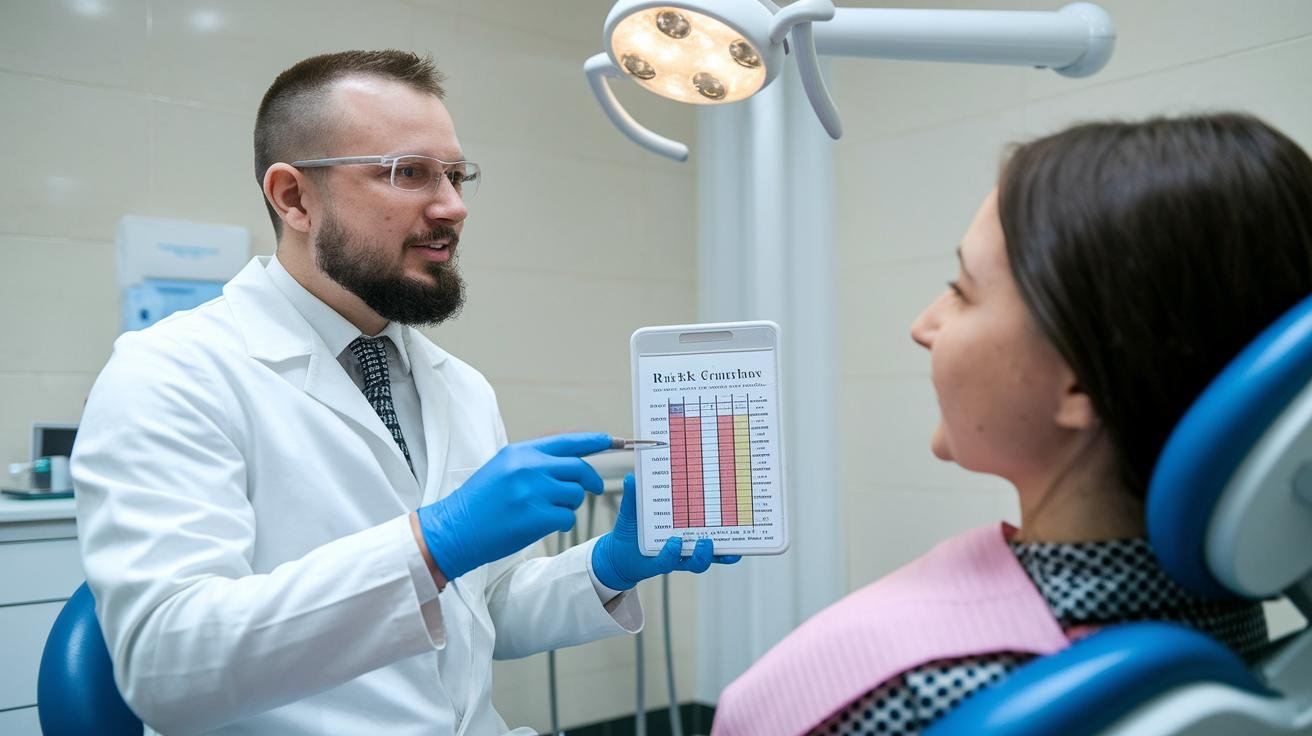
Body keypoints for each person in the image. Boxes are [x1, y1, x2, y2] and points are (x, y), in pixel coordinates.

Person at [72, 50, 736, 736]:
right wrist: (430, 545)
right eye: (408, 173)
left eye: (455, 175)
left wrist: (603, 567)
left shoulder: (460, 387)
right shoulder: (172, 373)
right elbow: (167, 666)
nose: (453, 207)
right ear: (294, 197)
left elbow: (486, 609)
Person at [711, 113, 1312, 736]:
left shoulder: (908, 697)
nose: (925, 326)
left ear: (1079, 378)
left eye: (962, 291)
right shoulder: (1236, 622)